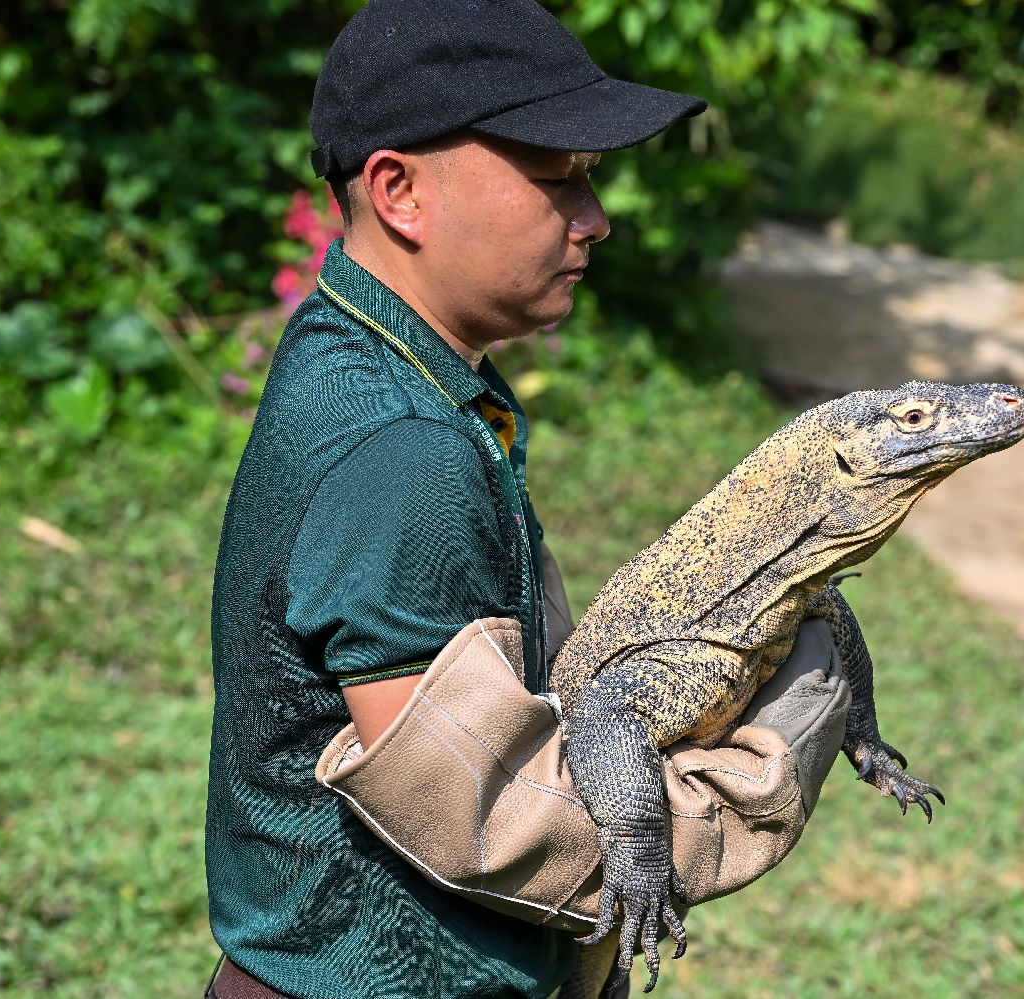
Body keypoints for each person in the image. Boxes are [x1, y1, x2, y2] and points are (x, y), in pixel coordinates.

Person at [203, 2, 706, 997]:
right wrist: (712, 817)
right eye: (557, 176)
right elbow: (473, 813)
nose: (594, 217)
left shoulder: (367, 353)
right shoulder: (404, 444)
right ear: (401, 192)